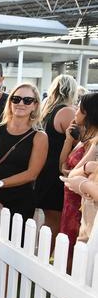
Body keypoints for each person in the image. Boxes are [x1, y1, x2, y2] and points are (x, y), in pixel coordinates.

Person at [0, 83, 48, 220]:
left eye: (27, 100)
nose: (20, 103)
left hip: (21, 200)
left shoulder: (39, 136)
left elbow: (31, 174)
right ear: (10, 102)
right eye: (16, 99)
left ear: (35, 105)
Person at [35, 74, 78, 239]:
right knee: (55, 221)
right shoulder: (67, 111)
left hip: (44, 170)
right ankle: (43, 259)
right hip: (56, 172)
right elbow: (79, 141)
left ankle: (42, 255)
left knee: (49, 220)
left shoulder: (46, 109)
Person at [59, 93, 98, 271]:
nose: (75, 111)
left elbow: (74, 175)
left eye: (79, 108)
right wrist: (86, 168)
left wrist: (83, 180)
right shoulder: (89, 139)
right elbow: (65, 167)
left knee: (81, 252)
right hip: (79, 199)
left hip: (82, 200)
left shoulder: (93, 142)